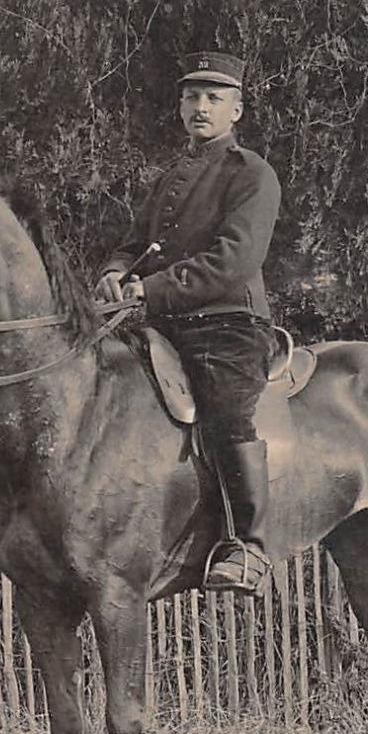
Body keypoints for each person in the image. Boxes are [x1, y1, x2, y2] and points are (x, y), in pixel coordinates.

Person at [97, 51, 281, 594]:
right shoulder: (171, 178)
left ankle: (249, 545)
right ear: (179, 106)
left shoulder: (251, 175)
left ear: (237, 110)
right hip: (161, 322)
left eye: (214, 98)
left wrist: (149, 289)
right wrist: (113, 273)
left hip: (227, 324)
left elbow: (232, 262)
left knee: (226, 408)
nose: (201, 108)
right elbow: (132, 244)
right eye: (192, 97)